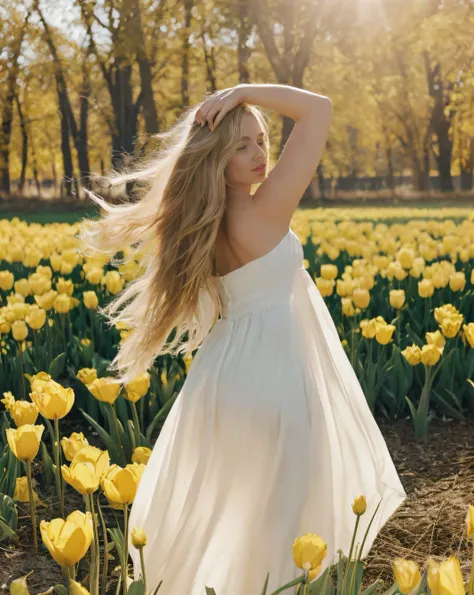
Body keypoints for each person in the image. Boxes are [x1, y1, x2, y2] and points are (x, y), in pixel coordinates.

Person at [78, 84, 406, 594]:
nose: (260, 154)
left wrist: (236, 104)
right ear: (214, 157)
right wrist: (246, 91)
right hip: (276, 376)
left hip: (222, 378)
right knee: (284, 523)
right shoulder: (266, 211)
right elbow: (319, 108)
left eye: (260, 140)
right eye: (241, 145)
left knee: (233, 512)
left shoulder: (198, 225)